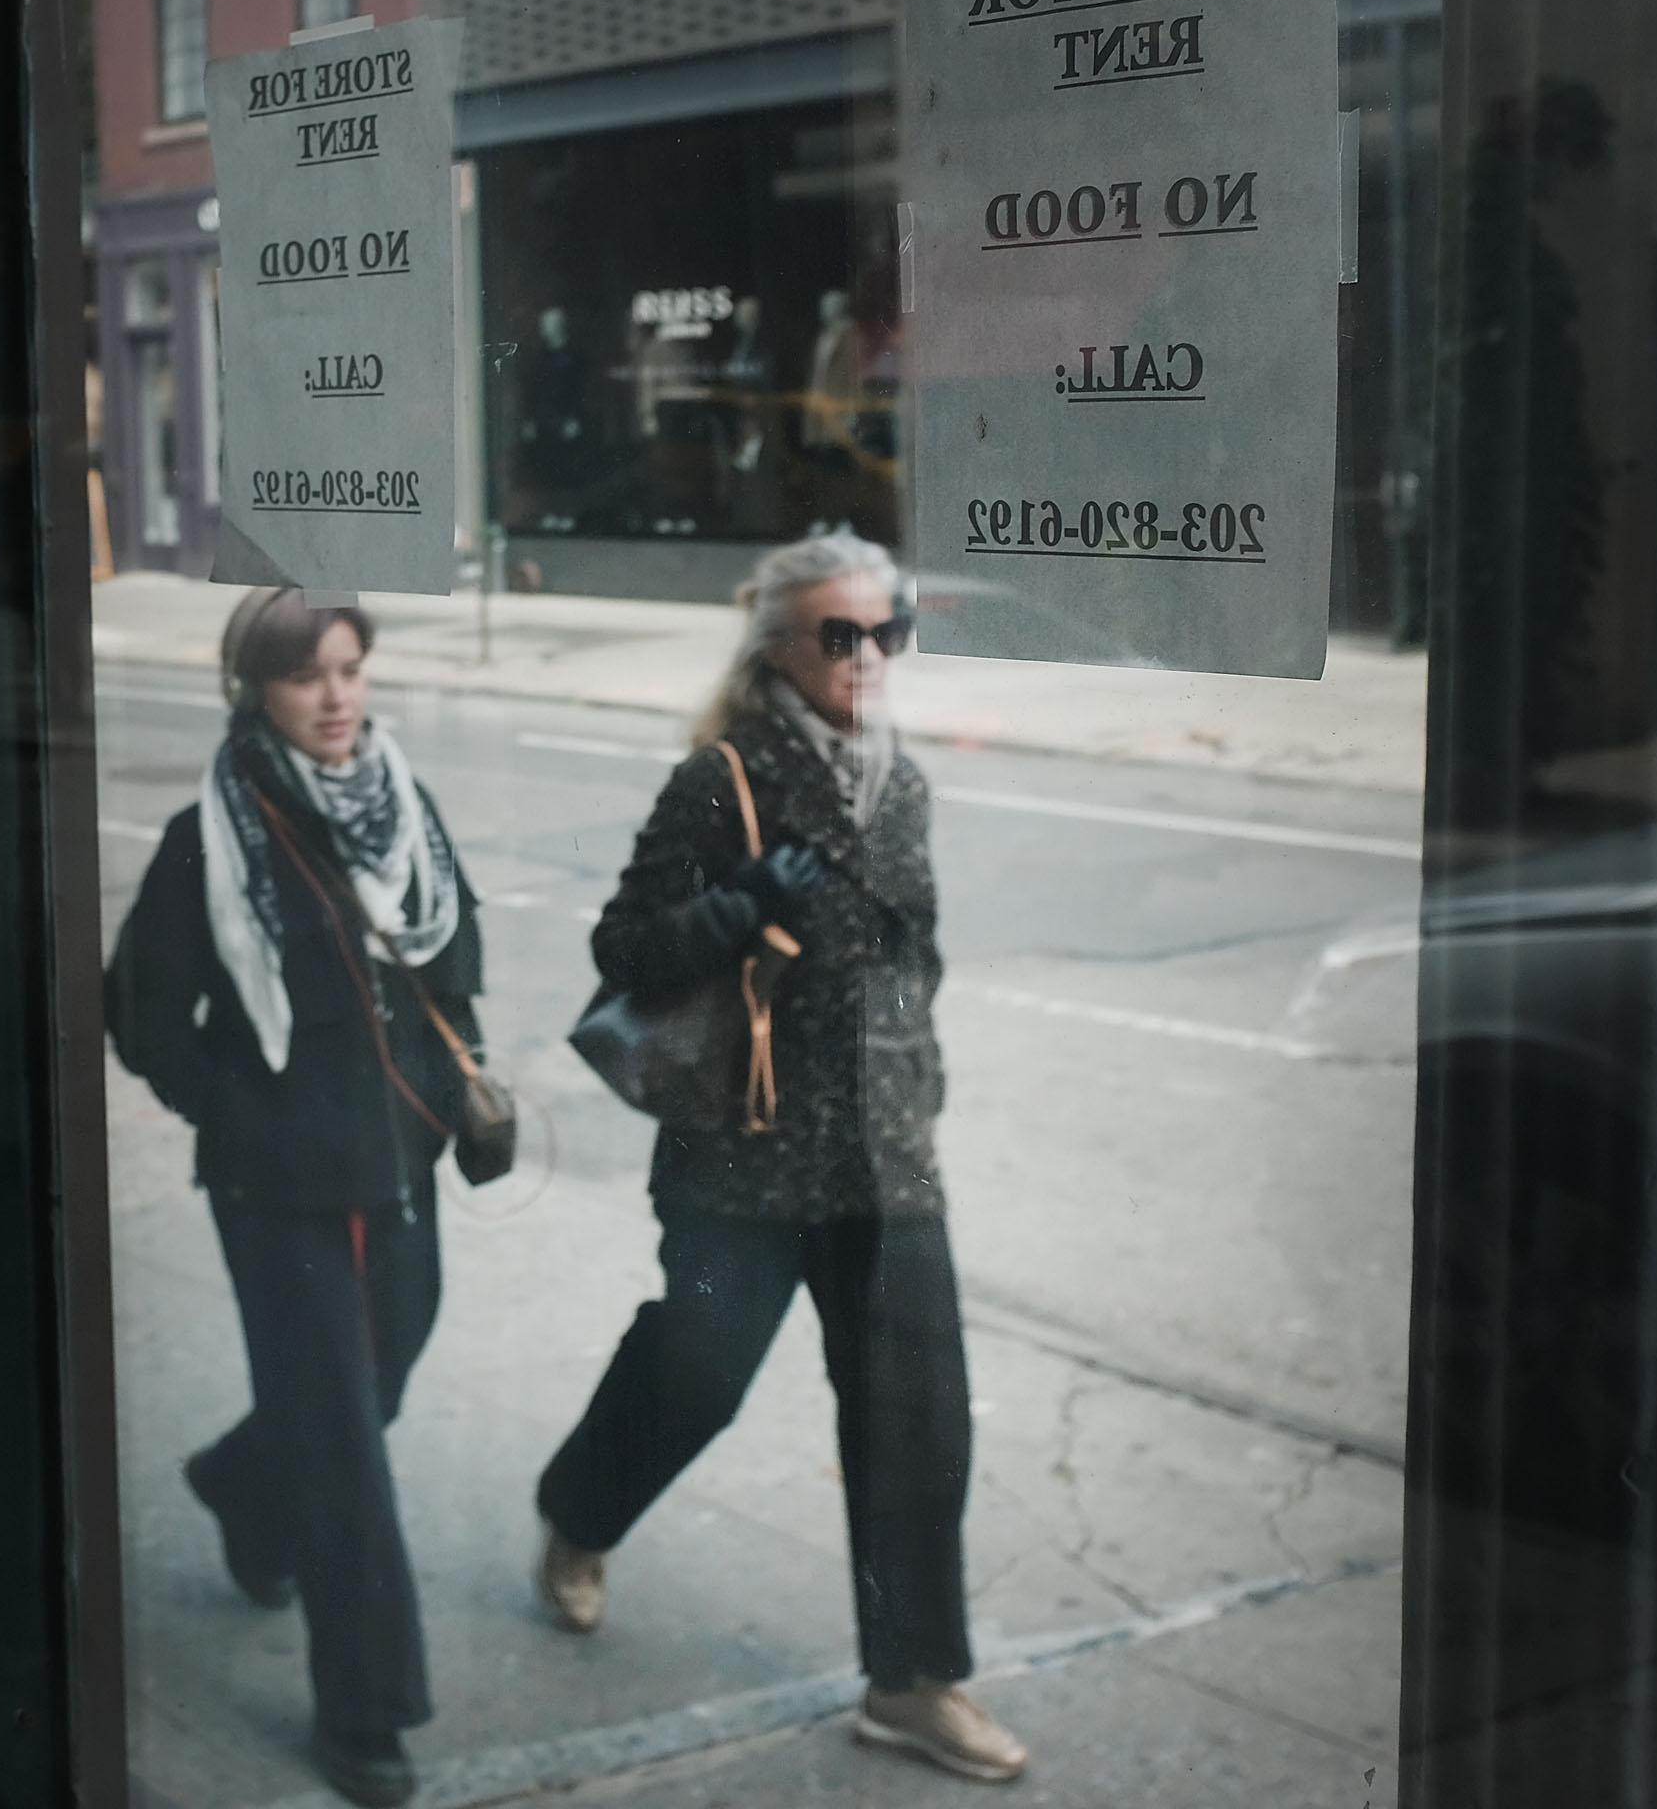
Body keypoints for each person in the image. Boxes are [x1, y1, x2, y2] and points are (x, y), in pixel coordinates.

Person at [533, 533, 1029, 1784]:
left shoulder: (898, 777)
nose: (868, 657)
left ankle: (914, 1681)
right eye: (839, 634)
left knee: (918, 1419)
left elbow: (916, 946)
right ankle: (580, 1514)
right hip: (739, 1157)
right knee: (695, 1378)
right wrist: (740, 901)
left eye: (888, 632)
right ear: (781, 648)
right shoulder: (721, 779)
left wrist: (914, 1058)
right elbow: (625, 951)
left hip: (883, 1155)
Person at [104, 588, 487, 1808]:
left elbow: (452, 962)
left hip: (400, 1160)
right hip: (279, 1184)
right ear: (255, 690)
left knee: (382, 1379)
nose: (337, 697)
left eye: (351, 668)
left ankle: (237, 1480)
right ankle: (365, 1711)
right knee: (341, 1442)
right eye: (308, 675)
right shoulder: (210, 836)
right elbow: (141, 1012)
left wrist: (454, 1088)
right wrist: (234, 1107)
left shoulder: (402, 805)